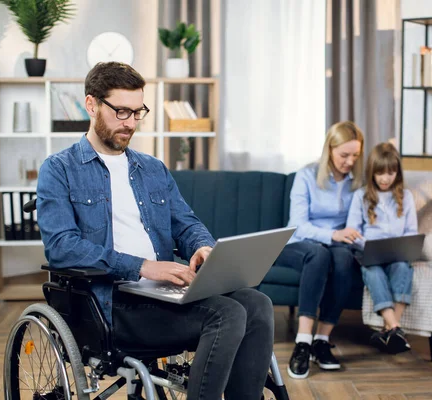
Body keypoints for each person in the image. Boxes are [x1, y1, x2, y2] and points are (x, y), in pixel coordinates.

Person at [36, 62, 274, 400]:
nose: (131, 123)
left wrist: (203, 247)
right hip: (112, 304)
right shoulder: (59, 169)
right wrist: (142, 266)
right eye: (121, 112)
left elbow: (186, 223)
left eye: (138, 112)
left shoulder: (152, 168)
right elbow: (61, 247)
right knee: (227, 314)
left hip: (166, 292)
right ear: (91, 105)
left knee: (258, 303)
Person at [274, 121, 364, 379]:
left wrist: (350, 237)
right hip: (299, 243)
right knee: (319, 254)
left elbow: (357, 222)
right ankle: (303, 341)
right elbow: (299, 225)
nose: (350, 161)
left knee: (345, 259)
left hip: (337, 245)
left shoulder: (357, 182)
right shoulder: (307, 176)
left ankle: (321, 341)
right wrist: (333, 234)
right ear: (329, 150)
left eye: (355, 155)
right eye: (344, 155)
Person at [346, 142, 417, 354]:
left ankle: (389, 330)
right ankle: (396, 329)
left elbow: (411, 231)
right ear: (372, 173)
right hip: (369, 252)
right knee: (373, 272)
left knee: (403, 268)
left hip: (397, 253)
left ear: (397, 173)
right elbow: (352, 230)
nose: (385, 179)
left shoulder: (407, 197)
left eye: (391, 173)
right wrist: (365, 244)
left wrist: (406, 245)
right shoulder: (361, 196)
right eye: (380, 173)